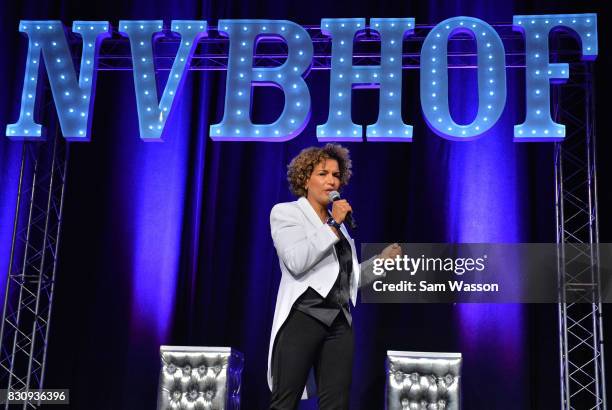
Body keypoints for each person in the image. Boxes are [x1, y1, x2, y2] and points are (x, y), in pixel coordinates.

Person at [267, 143, 402, 410]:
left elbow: (344, 278)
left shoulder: (336, 224)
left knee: (336, 404)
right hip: (303, 317)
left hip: (340, 321)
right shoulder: (287, 213)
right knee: (285, 401)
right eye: (323, 173)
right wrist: (332, 225)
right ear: (305, 179)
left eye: (336, 175)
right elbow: (297, 261)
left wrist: (381, 262)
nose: (332, 180)